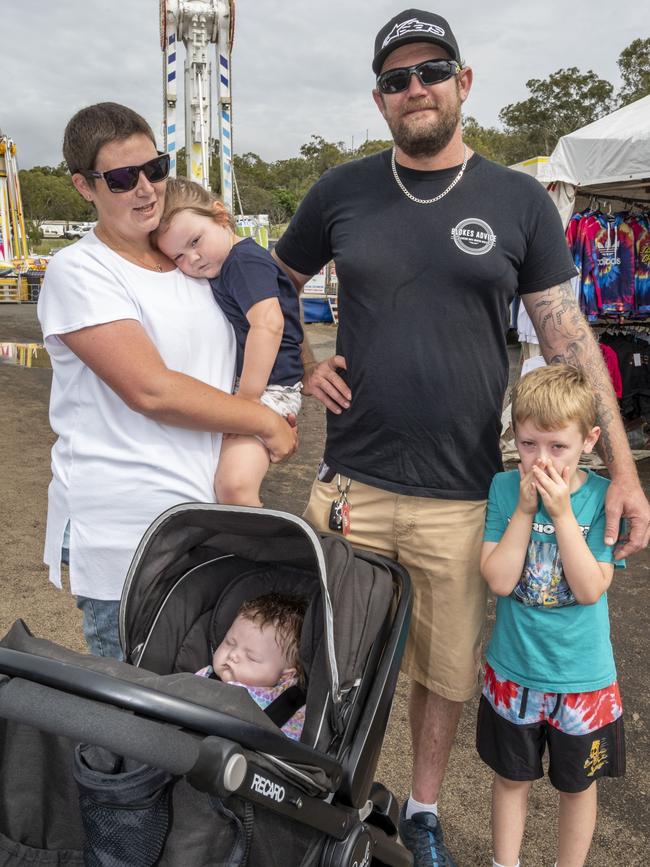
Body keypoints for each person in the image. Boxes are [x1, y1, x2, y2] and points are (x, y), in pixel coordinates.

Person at [272, 10, 650, 866]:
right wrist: (301, 364)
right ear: (380, 99)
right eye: (397, 79)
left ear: (463, 82)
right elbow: (271, 283)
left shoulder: (517, 199)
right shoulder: (340, 191)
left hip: (461, 493)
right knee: (326, 655)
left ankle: (425, 810)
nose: (416, 89)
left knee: (443, 674)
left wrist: (622, 473)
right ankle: (313, 797)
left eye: (431, 71)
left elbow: (569, 337)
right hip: (353, 482)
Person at [37, 103, 296, 661]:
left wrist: (310, 372)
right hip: (129, 537)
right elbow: (151, 389)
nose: (146, 188)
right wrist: (263, 420)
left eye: (154, 168)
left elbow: (244, 336)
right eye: (123, 178)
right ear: (84, 186)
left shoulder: (189, 264)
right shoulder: (80, 271)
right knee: (136, 719)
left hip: (202, 525)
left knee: (196, 710)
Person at [478, 364, 625, 867]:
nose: (541, 460)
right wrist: (523, 512)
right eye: (528, 444)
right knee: (510, 777)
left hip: (581, 679)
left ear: (589, 440)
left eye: (557, 447)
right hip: (514, 671)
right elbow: (498, 579)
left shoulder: (603, 498)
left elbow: (590, 589)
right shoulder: (503, 490)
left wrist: (562, 515)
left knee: (578, 788)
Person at [152, 177, 304, 507]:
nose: (192, 258)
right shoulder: (226, 266)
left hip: (268, 389)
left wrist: (246, 401)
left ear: (220, 216)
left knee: (234, 486)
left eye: (195, 241)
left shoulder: (243, 261)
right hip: (255, 387)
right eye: (178, 256)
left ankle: (263, 552)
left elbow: (269, 322)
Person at [196, 593, 307, 741]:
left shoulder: (290, 707)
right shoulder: (204, 677)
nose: (233, 655)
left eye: (251, 657)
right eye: (229, 642)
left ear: (285, 676)